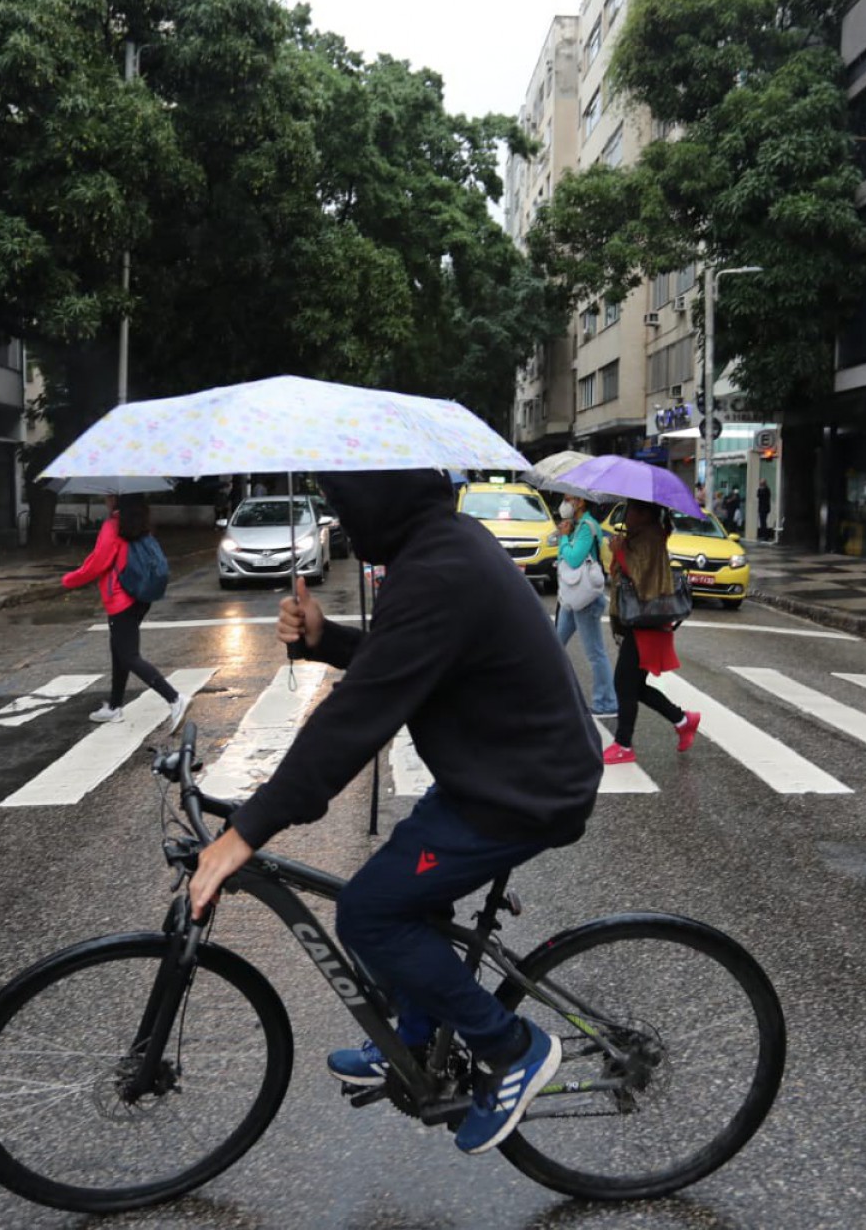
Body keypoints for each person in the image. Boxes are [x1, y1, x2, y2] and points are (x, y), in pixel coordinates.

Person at [187, 468, 602, 1157]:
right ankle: (412, 1036)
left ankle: (514, 1048)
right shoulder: (439, 548)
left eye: (346, 505)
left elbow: (357, 716)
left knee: (370, 913)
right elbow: (406, 658)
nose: (345, 523)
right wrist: (323, 636)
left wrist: (247, 831)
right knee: (388, 897)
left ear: (379, 502)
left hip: (523, 790)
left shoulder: (440, 568)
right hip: (495, 771)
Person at [61, 494, 189, 731]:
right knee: (119, 651)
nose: (105, 499)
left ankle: (174, 698)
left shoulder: (113, 526)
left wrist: (69, 580)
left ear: (118, 501)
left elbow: (98, 563)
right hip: (139, 597)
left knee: (128, 655)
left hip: (121, 599)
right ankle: (114, 706)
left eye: (109, 496)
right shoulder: (139, 524)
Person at [602, 500, 701, 766]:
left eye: (631, 510)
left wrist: (620, 551)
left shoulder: (649, 537)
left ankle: (624, 744)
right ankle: (682, 720)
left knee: (625, 683)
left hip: (646, 621)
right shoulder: (642, 535)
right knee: (632, 686)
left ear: (644, 513)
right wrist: (620, 550)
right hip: (641, 622)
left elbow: (640, 579)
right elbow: (621, 575)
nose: (627, 515)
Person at [549, 495, 617, 716]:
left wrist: (564, 539)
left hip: (585, 599)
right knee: (555, 645)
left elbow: (574, 558)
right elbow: (563, 554)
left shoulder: (587, 526)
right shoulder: (577, 526)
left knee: (595, 652)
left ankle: (607, 702)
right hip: (572, 596)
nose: (565, 503)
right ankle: (551, 694)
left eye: (569, 499)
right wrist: (564, 537)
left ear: (580, 503)